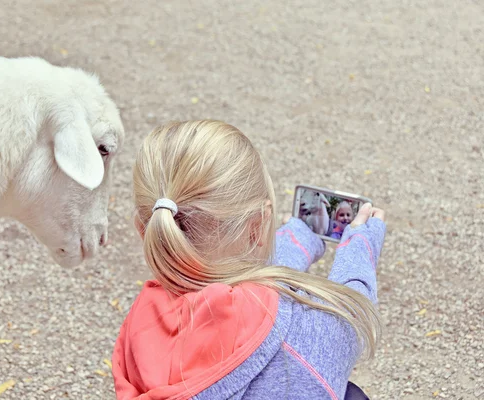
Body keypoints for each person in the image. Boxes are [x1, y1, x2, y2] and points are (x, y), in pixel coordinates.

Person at [112, 120, 386, 400]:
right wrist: (360, 245)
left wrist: (295, 242)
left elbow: (238, 288)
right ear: (258, 226)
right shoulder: (302, 343)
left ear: (144, 229)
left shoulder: (141, 324)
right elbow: (350, 318)